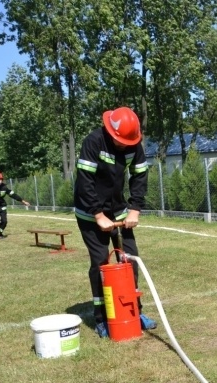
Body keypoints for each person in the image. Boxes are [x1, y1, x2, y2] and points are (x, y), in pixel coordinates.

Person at [73, 106, 156, 338]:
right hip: (89, 213)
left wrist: (135, 209)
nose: (124, 145)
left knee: (130, 259)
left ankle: (134, 311)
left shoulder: (133, 145)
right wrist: (98, 215)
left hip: (118, 210)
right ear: (111, 132)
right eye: (120, 141)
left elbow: (140, 176)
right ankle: (102, 318)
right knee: (101, 262)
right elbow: (85, 182)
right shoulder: (93, 142)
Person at [0, 171, 31, 239]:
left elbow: (13, 195)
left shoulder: (4, 188)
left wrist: (23, 201)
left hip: (2, 206)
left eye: (0, 179)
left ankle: (0, 234)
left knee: (4, 221)